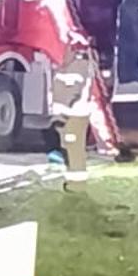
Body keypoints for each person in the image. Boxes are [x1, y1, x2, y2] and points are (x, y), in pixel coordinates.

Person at [52, 38, 100, 192]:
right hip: (71, 115)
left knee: (74, 149)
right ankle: (73, 181)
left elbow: (72, 92)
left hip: (75, 114)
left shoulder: (78, 66)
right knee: (69, 147)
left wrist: (61, 114)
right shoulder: (72, 66)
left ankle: (77, 185)